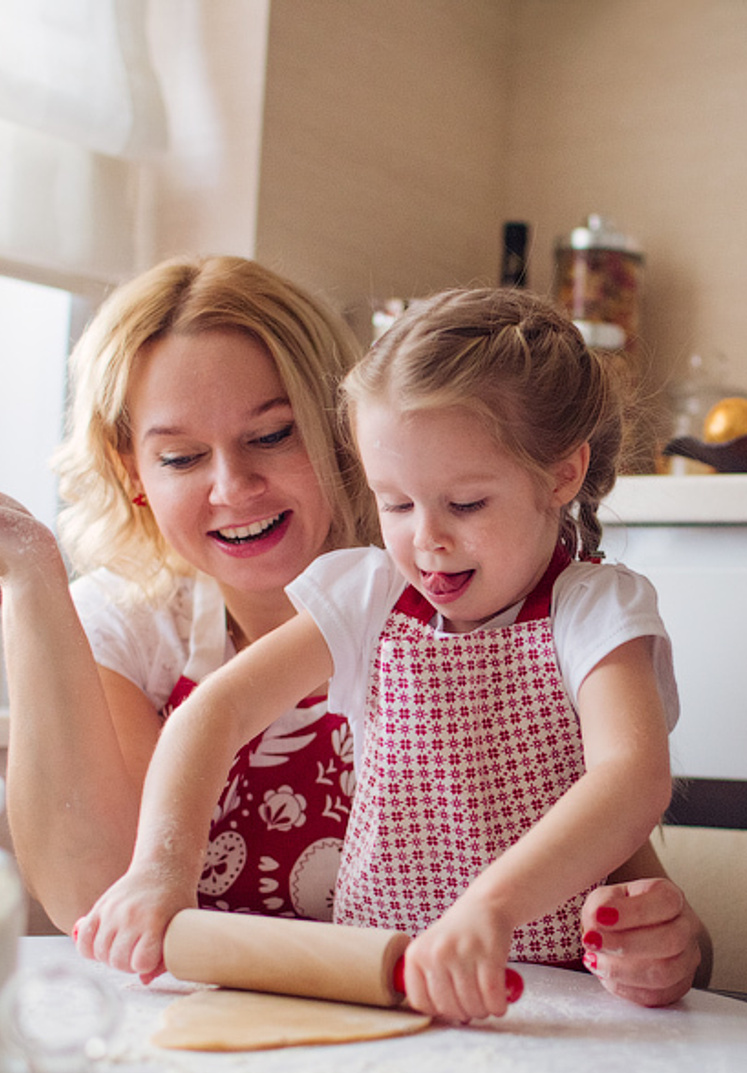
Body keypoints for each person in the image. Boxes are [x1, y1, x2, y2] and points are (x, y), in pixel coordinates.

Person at [2, 257, 706, 1008]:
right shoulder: (357, 599)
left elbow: (627, 800)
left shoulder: (578, 614)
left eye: (272, 435)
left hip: (536, 1005)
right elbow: (198, 735)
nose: (232, 489)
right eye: (180, 455)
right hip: (340, 1008)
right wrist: (158, 870)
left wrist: (661, 947)